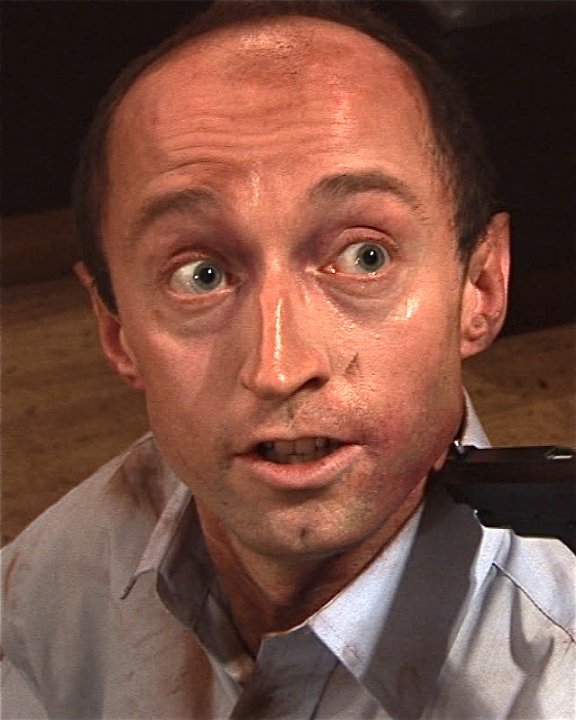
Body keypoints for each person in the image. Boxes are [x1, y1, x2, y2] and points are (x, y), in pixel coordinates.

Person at [2, 2, 574, 718]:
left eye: (365, 257)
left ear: (480, 287)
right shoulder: (54, 576)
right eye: (200, 275)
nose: (279, 368)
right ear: (117, 332)